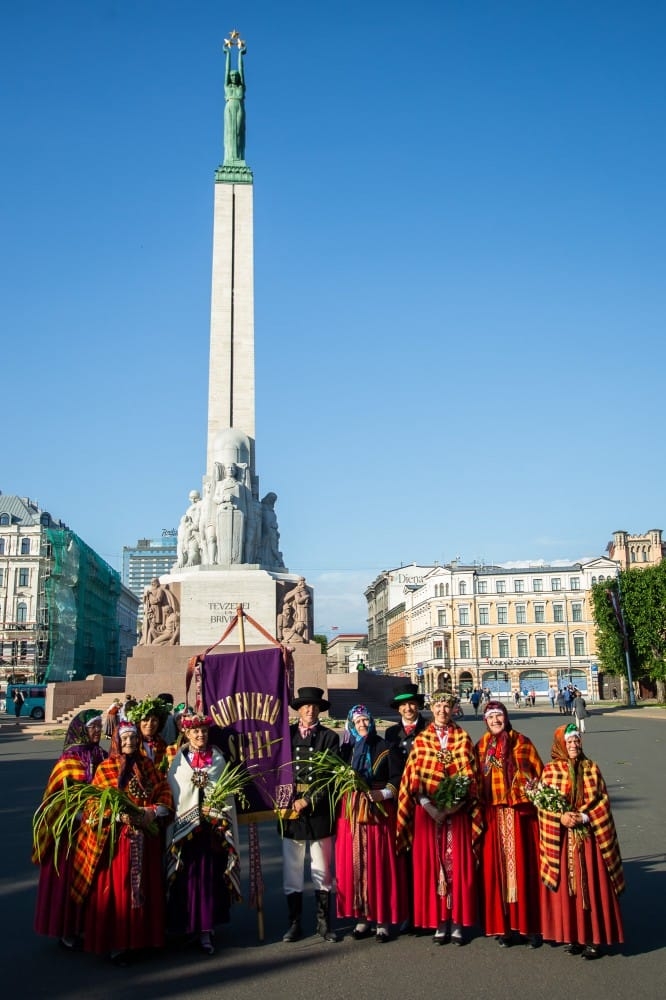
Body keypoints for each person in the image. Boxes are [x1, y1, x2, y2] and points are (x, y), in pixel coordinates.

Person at [71, 721, 173, 963]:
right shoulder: (106, 768)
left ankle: (143, 939)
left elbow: (164, 791)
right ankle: (119, 941)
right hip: (117, 843)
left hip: (145, 839)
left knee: (145, 887)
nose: (130, 743)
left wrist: (152, 811)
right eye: (125, 739)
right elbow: (93, 805)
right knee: (120, 890)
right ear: (117, 740)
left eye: (133, 739)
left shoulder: (148, 765)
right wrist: (117, 815)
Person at [396, 690, 482, 945]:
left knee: (458, 867)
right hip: (428, 815)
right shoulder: (421, 740)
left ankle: (456, 921)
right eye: (438, 706)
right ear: (431, 709)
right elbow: (413, 778)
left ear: (454, 709)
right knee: (432, 868)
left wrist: (454, 805)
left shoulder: (463, 738)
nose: (443, 711)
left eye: (447, 706)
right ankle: (439, 921)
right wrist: (428, 806)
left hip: (457, 815)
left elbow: (470, 776)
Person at [537, 724, 625, 959]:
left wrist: (585, 816)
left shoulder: (591, 768)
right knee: (568, 888)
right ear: (560, 745)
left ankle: (594, 938)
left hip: (589, 838)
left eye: (577, 741)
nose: (574, 745)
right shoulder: (550, 770)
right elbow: (543, 805)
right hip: (563, 839)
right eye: (570, 742)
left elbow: (602, 800)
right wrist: (561, 817)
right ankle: (574, 935)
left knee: (592, 885)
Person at [166, 712, 240, 955]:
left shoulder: (217, 759)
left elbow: (225, 792)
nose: (200, 735)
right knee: (186, 879)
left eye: (204, 731)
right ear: (186, 734)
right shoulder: (178, 761)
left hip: (210, 833)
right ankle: (187, 927)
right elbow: (176, 792)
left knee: (208, 879)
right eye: (195, 731)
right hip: (186, 834)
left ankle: (206, 929)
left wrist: (214, 810)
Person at [33, 710, 107, 948]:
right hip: (70, 831)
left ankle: (88, 924)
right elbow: (54, 798)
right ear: (81, 730)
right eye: (93, 727)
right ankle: (67, 928)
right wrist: (73, 813)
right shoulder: (68, 761)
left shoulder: (104, 756)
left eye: (99, 726)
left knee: (94, 876)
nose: (98, 731)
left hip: (95, 826)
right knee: (69, 878)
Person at [474, 701, 543, 947]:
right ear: (485, 720)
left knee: (525, 871)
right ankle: (504, 928)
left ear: (506, 717)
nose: (495, 721)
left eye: (499, 716)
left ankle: (529, 927)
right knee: (497, 873)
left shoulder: (522, 742)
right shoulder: (481, 746)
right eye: (491, 717)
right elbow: (474, 780)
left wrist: (532, 789)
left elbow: (538, 773)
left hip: (519, 816)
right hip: (492, 815)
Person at [335, 705, 407, 941]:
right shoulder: (345, 750)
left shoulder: (385, 747)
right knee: (357, 864)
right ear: (351, 725)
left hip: (378, 812)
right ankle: (363, 917)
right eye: (358, 722)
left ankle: (382, 920)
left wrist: (384, 794)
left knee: (379, 864)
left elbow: (398, 777)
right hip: (352, 813)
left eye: (366, 720)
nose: (362, 725)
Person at [279, 686, 340, 943]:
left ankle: (323, 923)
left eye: (314, 706)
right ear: (298, 709)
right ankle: (294, 923)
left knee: (321, 867)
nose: (310, 709)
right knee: (292, 869)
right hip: (290, 811)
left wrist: (309, 799)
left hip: (318, 811)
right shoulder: (286, 736)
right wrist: (287, 800)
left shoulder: (330, 737)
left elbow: (331, 776)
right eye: (305, 705)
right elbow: (278, 771)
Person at [384, 682, 427, 932]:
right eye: (403, 705)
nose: (408, 708)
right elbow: (390, 767)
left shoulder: (429, 729)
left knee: (425, 857)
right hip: (400, 800)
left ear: (417, 706)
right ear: (398, 708)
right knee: (404, 857)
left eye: (411, 704)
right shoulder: (391, 734)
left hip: (425, 801)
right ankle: (408, 912)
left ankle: (427, 912)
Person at [129, 696, 170, 774]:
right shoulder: (132, 742)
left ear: (159, 723)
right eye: (145, 720)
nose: (150, 724)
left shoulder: (162, 744)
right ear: (139, 722)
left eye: (154, 720)